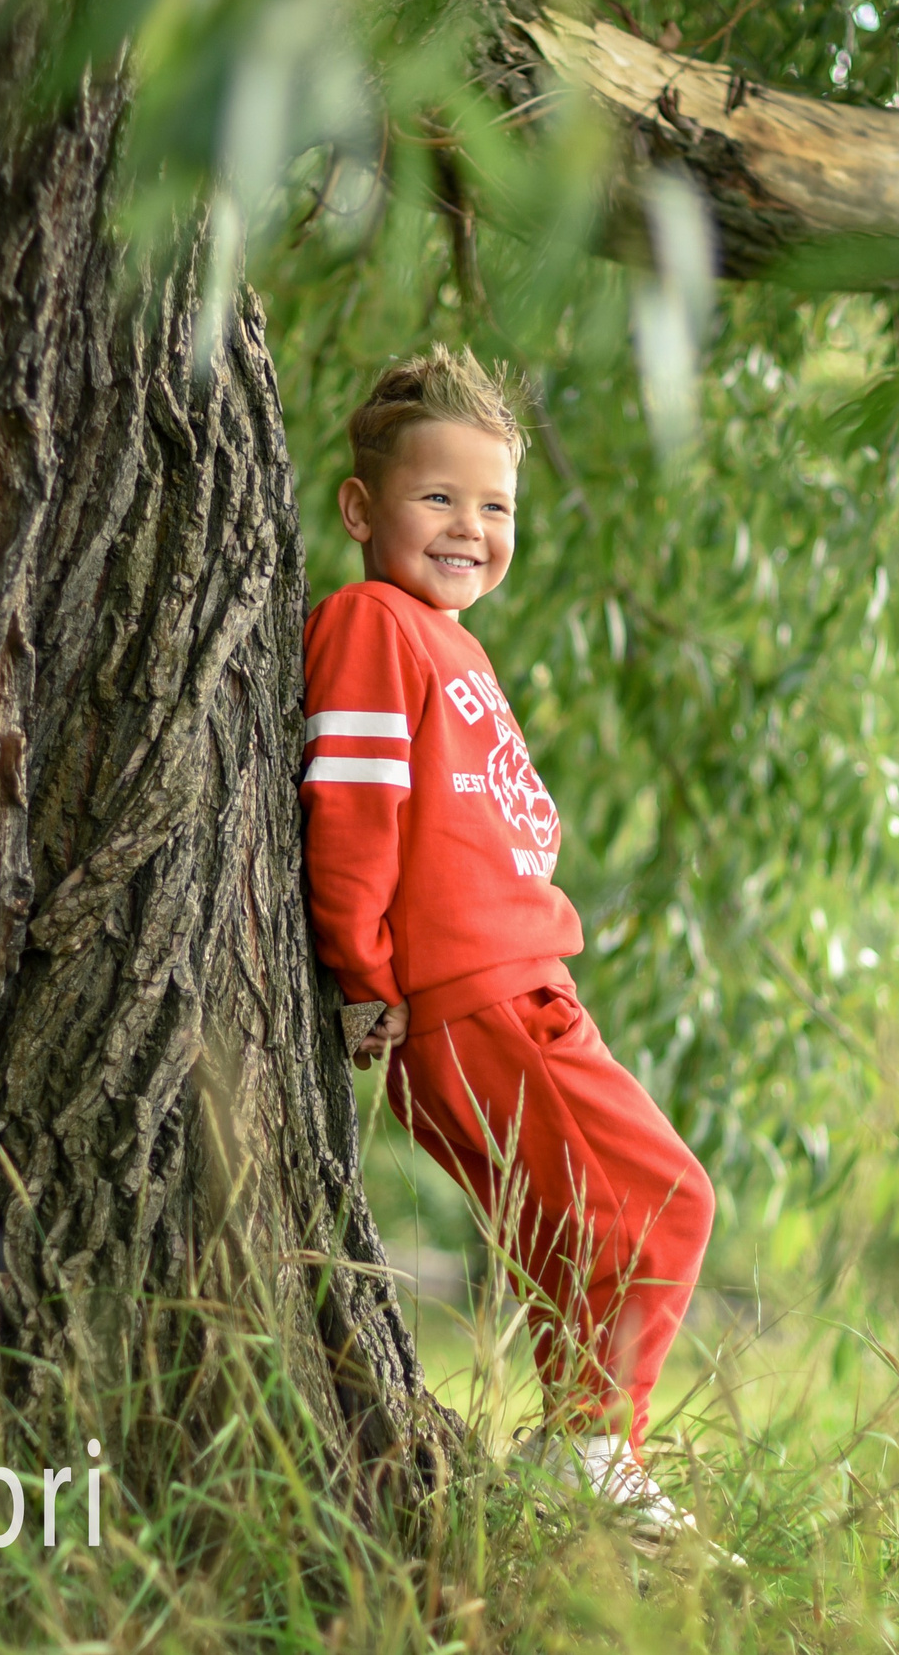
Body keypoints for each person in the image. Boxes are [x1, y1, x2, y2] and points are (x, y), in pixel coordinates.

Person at [298, 346, 714, 1535]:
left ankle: (578, 1455)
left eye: (496, 506)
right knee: (663, 1199)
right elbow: (354, 802)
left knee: (576, 1228)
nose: (469, 527)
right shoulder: (372, 621)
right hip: (472, 996)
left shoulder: (451, 641)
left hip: (517, 987)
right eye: (438, 496)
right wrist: (361, 969)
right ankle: (590, 1449)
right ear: (360, 507)